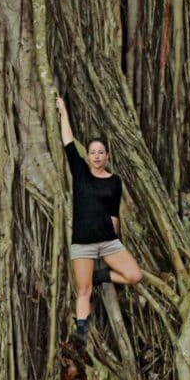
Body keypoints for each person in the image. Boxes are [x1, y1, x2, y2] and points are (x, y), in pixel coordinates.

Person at [56, 95, 142, 346]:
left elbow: (114, 214)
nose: (96, 156)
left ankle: (101, 276)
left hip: (108, 243)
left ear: (107, 155)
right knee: (83, 291)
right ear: (89, 155)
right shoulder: (80, 172)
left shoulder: (115, 181)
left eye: (100, 152)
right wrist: (63, 110)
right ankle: (81, 334)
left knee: (134, 275)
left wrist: (114, 243)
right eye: (92, 152)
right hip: (82, 243)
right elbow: (68, 142)